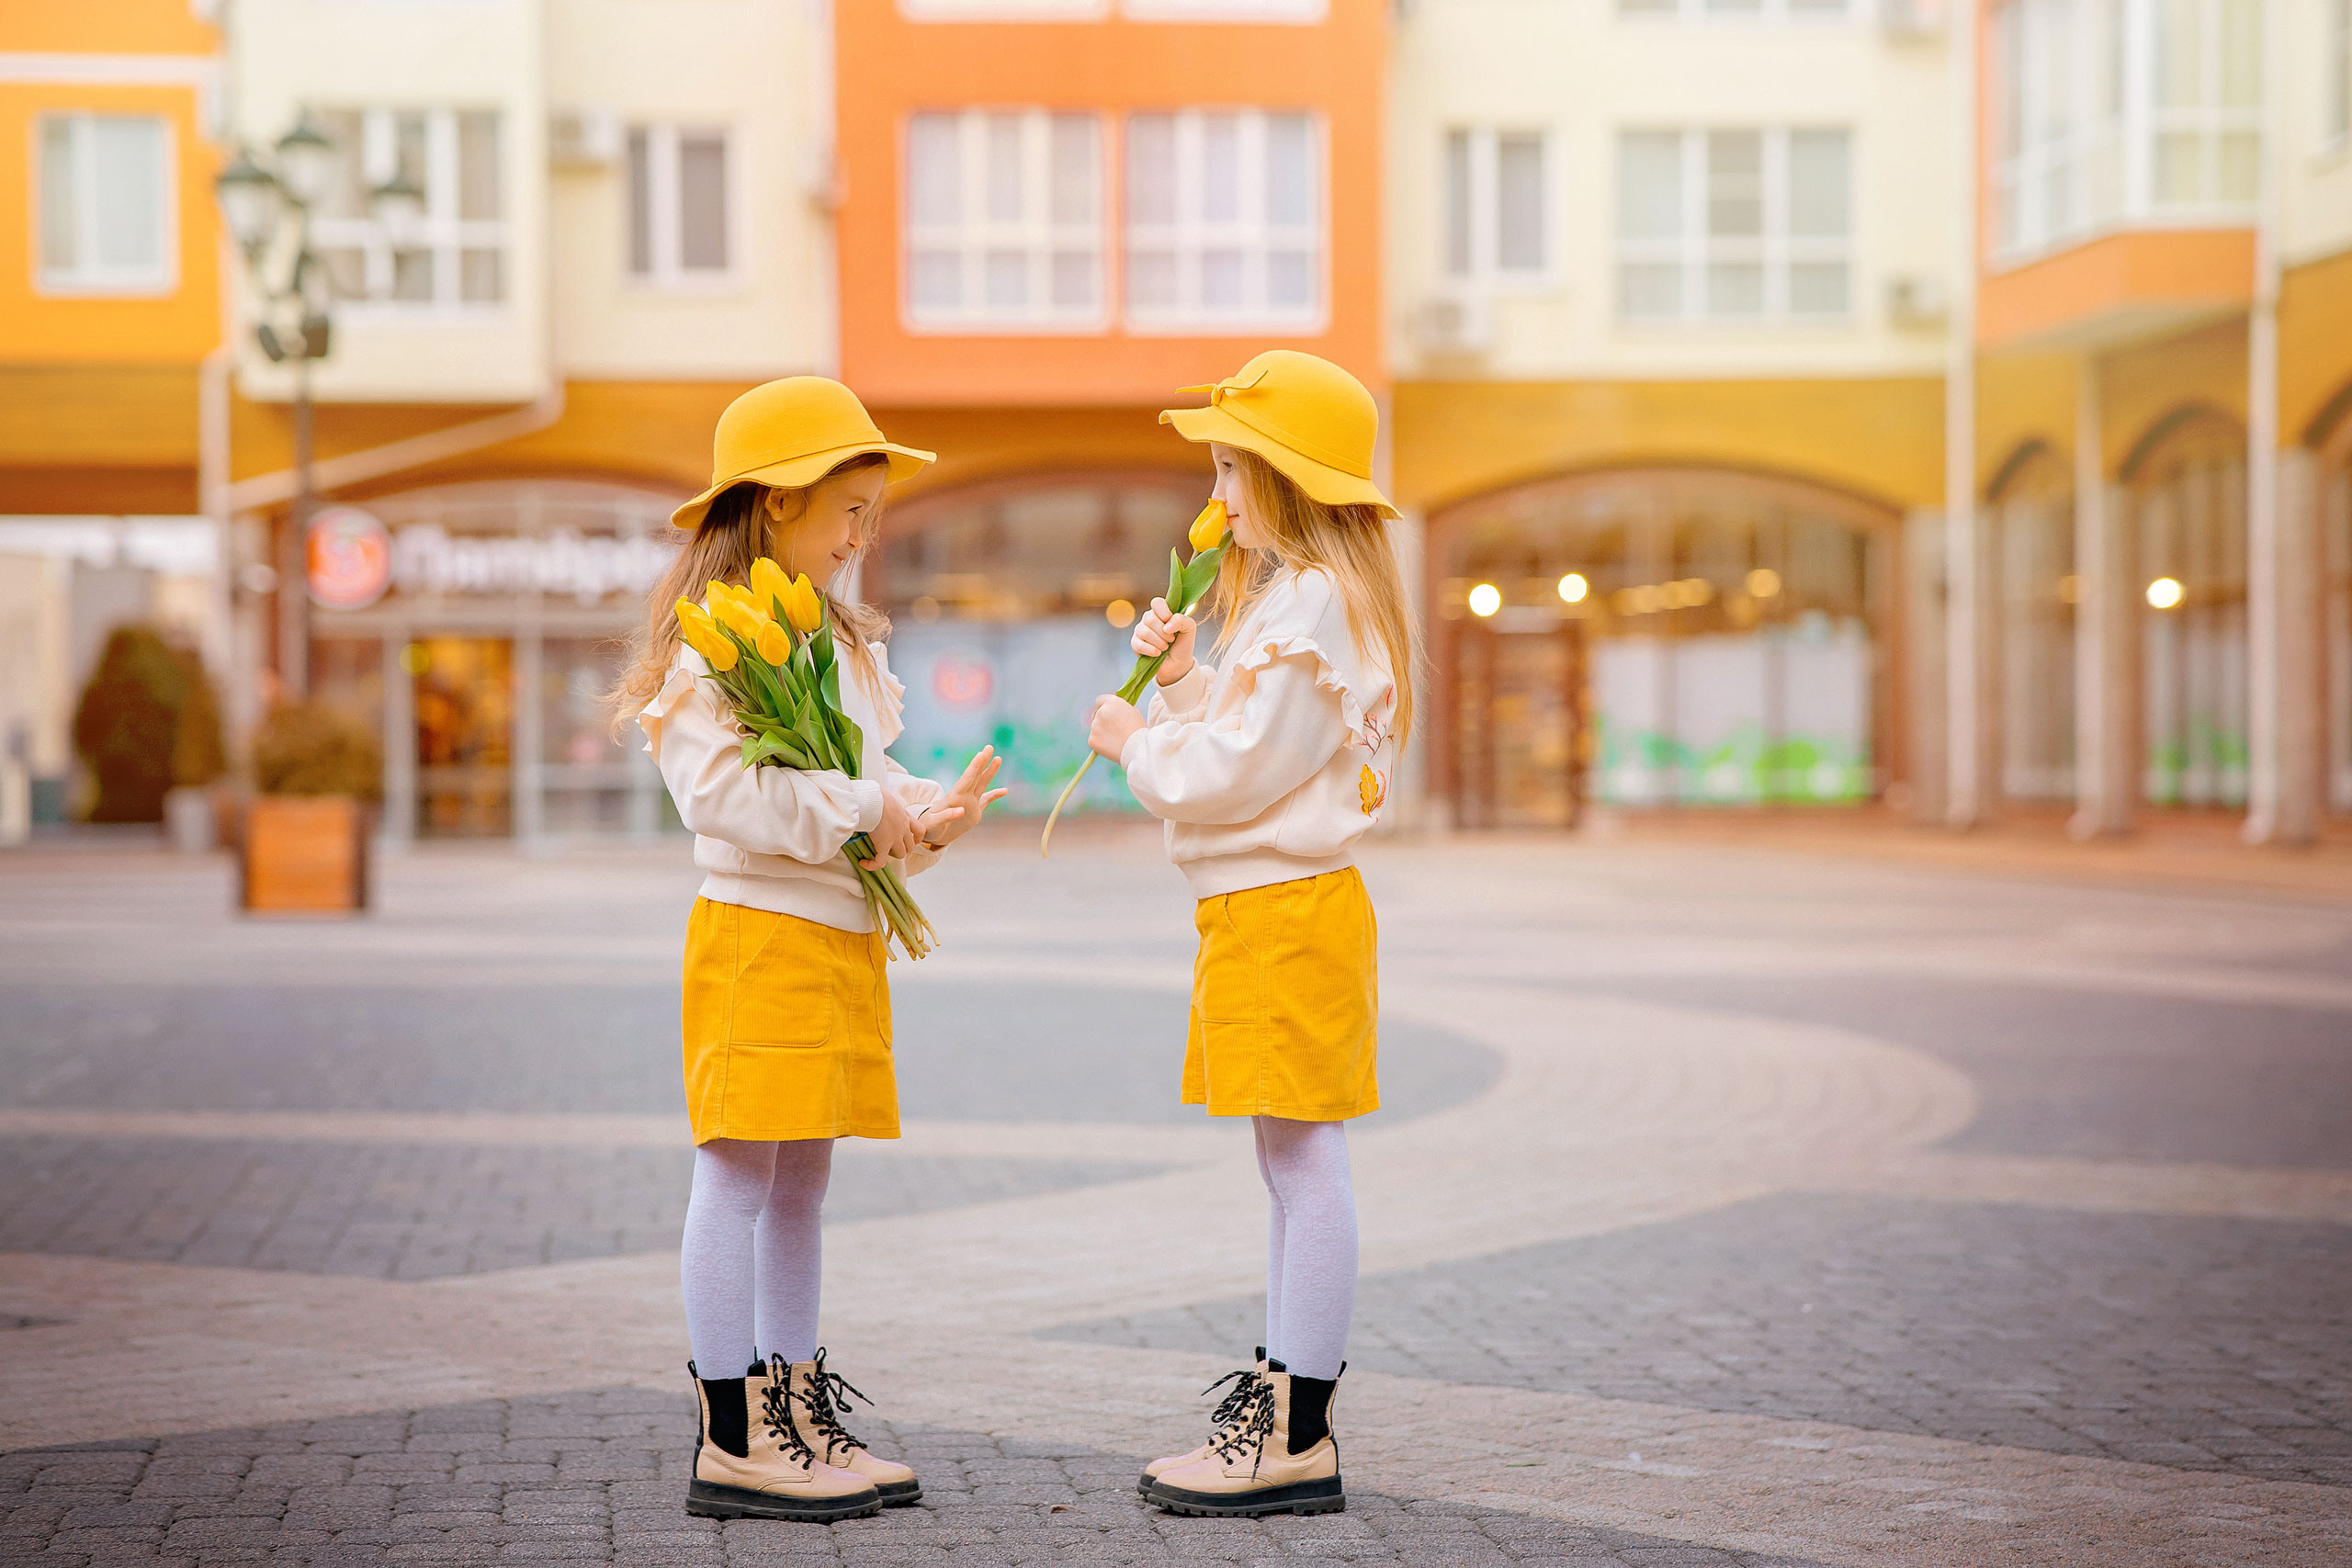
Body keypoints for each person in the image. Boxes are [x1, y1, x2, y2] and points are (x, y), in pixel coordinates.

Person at [612, 377, 1009, 1523]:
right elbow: (726, 797)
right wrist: (859, 809)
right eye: (847, 510)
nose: (861, 535)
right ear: (777, 505)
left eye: (870, 513)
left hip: (833, 934)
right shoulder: (712, 651)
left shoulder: (832, 637)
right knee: (738, 1176)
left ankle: (795, 1409)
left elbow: (860, 787)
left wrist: (925, 813)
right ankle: (733, 1436)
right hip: (758, 938)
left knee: (801, 1186)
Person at [1085, 350, 1416, 1518]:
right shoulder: (1299, 599)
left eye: (1232, 467)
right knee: (1290, 1164)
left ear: (1285, 478)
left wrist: (1136, 745)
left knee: (1302, 1164)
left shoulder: (1315, 599)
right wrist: (1180, 684)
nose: (1217, 495)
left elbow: (1232, 773)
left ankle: (1296, 1427)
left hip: (1284, 913)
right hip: (1265, 910)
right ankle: (1285, 1402)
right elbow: (1252, 756)